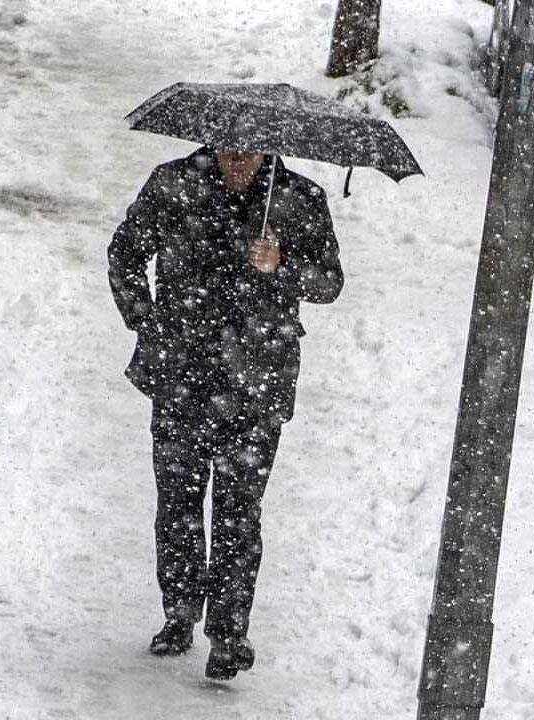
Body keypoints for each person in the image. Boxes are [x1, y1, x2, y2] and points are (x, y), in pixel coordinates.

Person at [107, 146, 343, 680]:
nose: (240, 159)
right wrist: (147, 321)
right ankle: (180, 614)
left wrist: (282, 264)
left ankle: (229, 632)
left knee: (240, 511)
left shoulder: (300, 198)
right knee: (179, 504)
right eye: (230, 149)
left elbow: (329, 282)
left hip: (258, 379)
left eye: (251, 150)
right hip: (181, 373)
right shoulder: (173, 184)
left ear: (269, 148)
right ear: (212, 144)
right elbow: (124, 253)